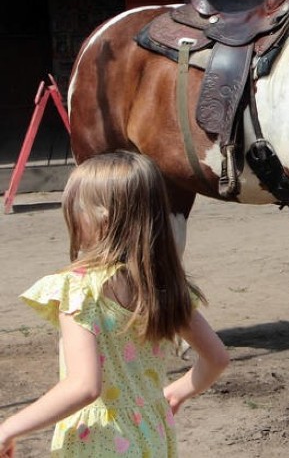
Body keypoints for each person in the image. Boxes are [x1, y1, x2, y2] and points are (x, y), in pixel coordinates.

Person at [0, 151, 229, 457]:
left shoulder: (80, 290)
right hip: (152, 436)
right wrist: (179, 391)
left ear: (102, 221)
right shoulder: (166, 286)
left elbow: (84, 386)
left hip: (98, 441)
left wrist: (9, 428)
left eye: (73, 210)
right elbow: (217, 358)